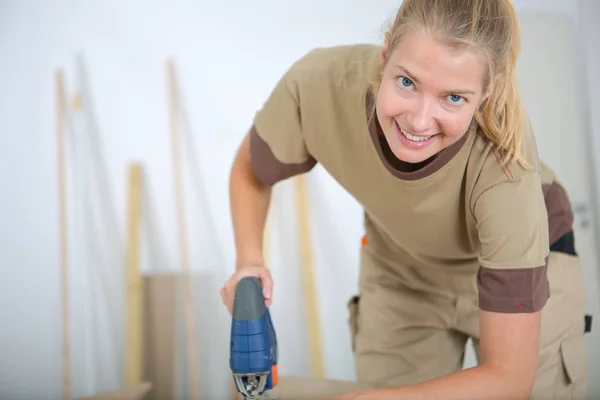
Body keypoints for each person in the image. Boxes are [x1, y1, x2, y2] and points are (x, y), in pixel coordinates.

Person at [220, 0, 589, 398]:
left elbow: (509, 379)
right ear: (386, 50)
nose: (418, 121)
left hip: (522, 265)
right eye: (407, 83)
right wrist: (249, 261)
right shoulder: (319, 87)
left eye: (454, 98)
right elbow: (251, 170)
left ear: (487, 92)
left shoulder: (505, 170)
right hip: (401, 267)